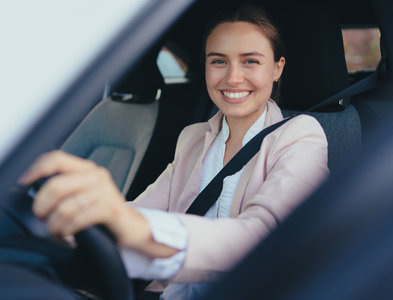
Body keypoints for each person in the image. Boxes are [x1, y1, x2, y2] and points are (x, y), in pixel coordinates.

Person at [19, 4, 329, 300]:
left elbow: (266, 237)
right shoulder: (192, 139)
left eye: (250, 61)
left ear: (277, 68)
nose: (233, 77)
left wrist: (141, 231)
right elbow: (143, 210)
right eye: (218, 61)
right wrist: (71, 216)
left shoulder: (302, 135)